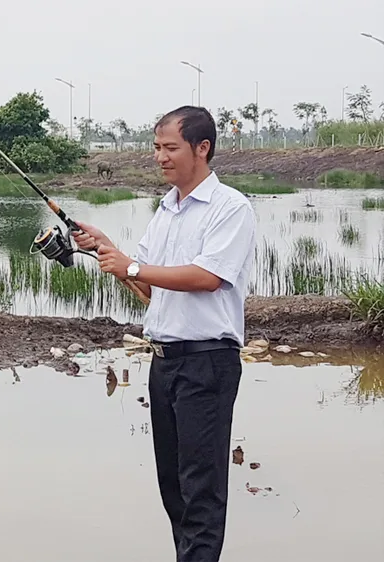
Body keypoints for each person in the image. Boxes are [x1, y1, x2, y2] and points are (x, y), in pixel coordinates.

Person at [72, 105, 257, 562]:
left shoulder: (230, 207)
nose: (160, 157)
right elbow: (151, 291)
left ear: (202, 148)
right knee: (173, 487)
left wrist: (133, 265)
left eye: (170, 147)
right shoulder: (166, 211)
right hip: (164, 363)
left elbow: (208, 277)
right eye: (156, 147)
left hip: (207, 363)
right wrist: (108, 251)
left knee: (201, 490)